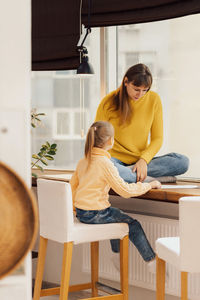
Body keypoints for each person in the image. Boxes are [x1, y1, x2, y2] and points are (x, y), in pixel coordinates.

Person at [70, 121, 161, 270]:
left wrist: (75, 210)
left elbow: (72, 187)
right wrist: (149, 185)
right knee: (133, 224)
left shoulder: (83, 161)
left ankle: (116, 255)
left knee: (115, 214)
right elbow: (125, 191)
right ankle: (151, 261)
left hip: (82, 213)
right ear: (110, 141)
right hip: (97, 213)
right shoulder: (105, 163)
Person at [95, 63, 189, 183]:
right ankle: (141, 177)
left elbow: (157, 139)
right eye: (136, 89)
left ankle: (126, 174)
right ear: (126, 82)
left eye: (145, 90)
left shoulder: (154, 100)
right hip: (114, 159)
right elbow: (98, 140)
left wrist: (143, 160)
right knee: (102, 165)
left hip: (140, 161)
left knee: (182, 162)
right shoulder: (108, 102)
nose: (140, 94)